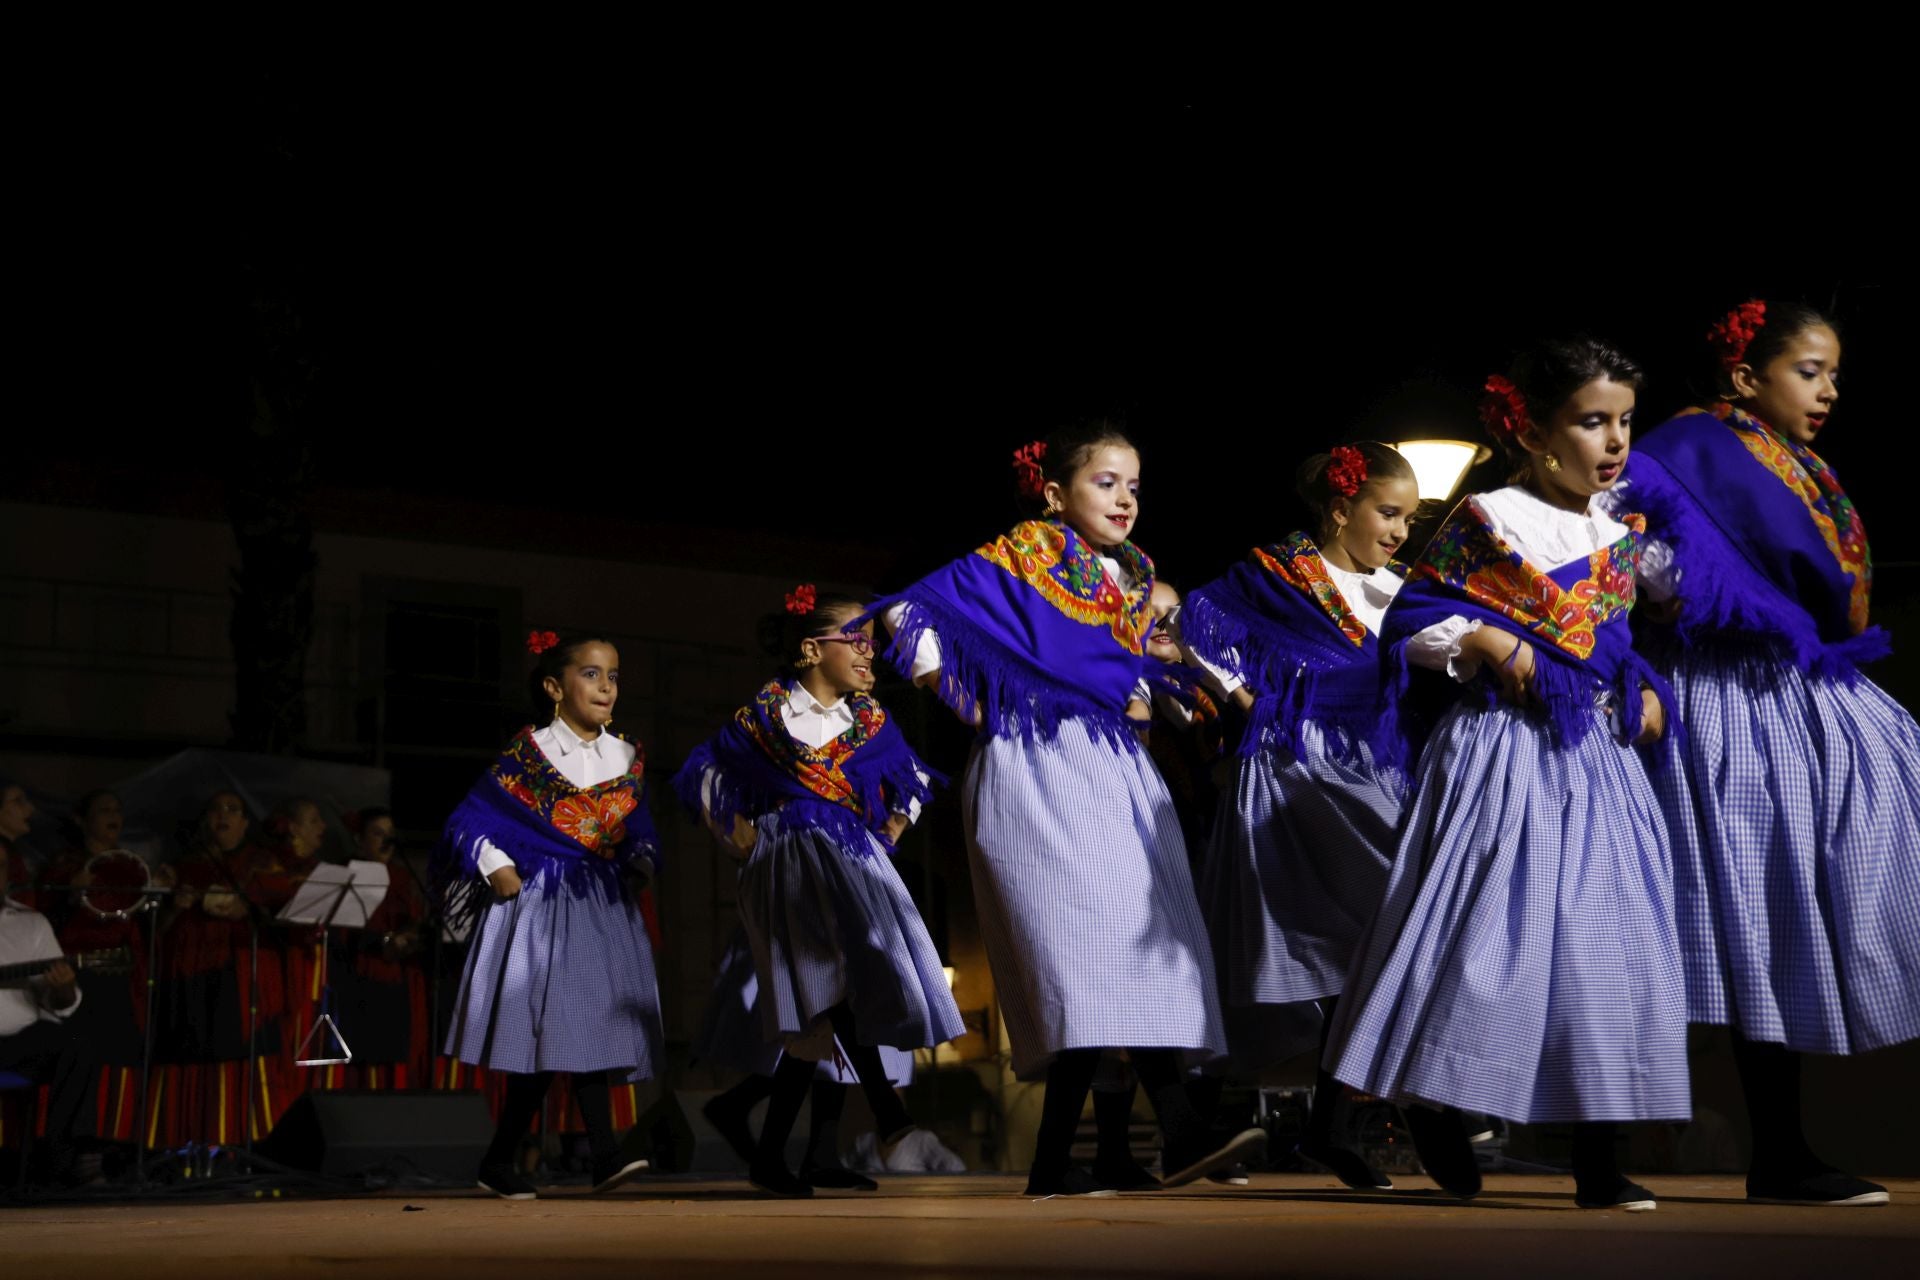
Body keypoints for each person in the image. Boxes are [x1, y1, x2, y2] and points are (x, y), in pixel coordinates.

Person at [1326, 338, 1689, 1212]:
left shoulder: (1623, 533)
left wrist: (1644, 688)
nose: (1613, 442)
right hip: (1503, 753)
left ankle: (1601, 1157)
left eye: (1624, 423)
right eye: (1591, 422)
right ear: (1532, 431)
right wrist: (1482, 638)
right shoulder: (1487, 520)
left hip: (1595, 759)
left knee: (1610, 953)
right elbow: (1412, 621)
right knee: (1480, 943)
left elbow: (1624, 644)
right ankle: (1431, 1099)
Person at [1622, 299, 1912, 1206]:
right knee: (1752, 904)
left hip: (1790, 684)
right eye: (1808, 371)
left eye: (1833, 375)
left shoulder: (1798, 467)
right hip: (1718, 693)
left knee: (1801, 893)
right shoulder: (1687, 450)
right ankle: (1773, 1151)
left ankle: (1782, 1149)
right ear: (1747, 376)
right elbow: (1634, 561)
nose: (1827, 392)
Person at [436, 630, 663, 1200]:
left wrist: (641, 858)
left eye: (612, 676)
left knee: (571, 1030)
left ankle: (499, 1161)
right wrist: (496, 866)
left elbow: (640, 828)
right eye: (591, 674)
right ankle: (603, 1155)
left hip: (602, 905)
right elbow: (470, 820)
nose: (606, 687)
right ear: (554, 687)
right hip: (542, 905)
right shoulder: (528, 754)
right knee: (567, 1022)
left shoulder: (627, 754)